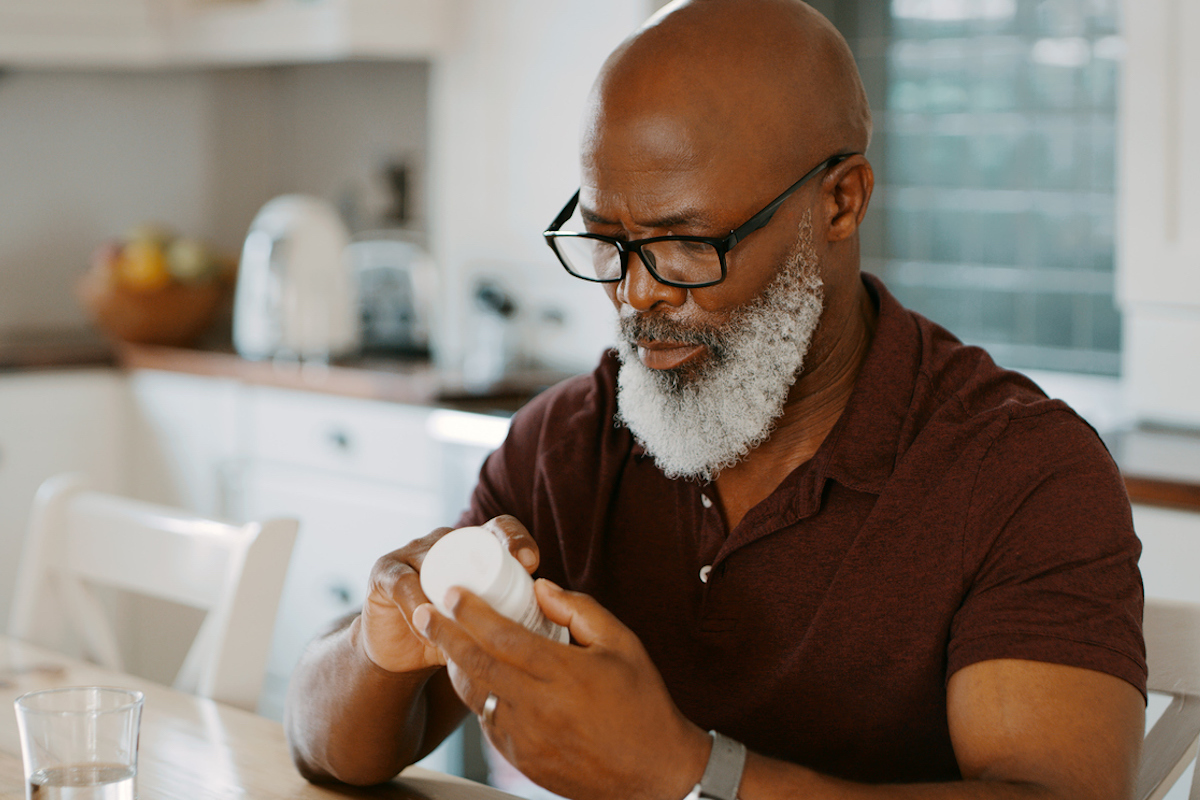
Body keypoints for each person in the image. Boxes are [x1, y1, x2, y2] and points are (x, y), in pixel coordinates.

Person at [284, 1, 1146, 798]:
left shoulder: (1021, 472)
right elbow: (325, 746)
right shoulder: (567, 446)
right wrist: (376, 645)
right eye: (608, 243)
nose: (636, 296)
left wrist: (690, 775)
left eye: (688, 245)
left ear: (840, 202)